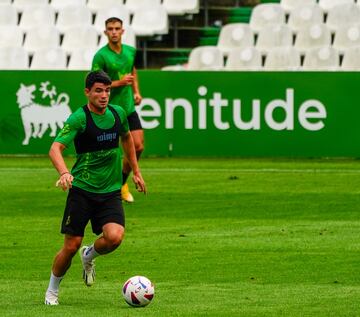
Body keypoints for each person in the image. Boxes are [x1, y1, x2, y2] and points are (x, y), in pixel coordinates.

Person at [44, 70, 146, 306]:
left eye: (107, 90)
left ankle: (89, 255)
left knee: (115, 237)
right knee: (71, 246)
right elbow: (54, 148)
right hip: (82, 190)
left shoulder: (118, 113)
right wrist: (64, 172)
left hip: (109, 191)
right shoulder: (79, 118)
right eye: (98, 90)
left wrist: (137, 172)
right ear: (87, 92)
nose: (104, 95)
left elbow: (128, 139)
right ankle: (52, 291)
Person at [92, 17, 143, 204]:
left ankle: (121, 183)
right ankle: (102, 191)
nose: (114, 32)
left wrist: (136, 91)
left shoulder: (130, 51)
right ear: (105, 32)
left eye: (117, 28)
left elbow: (133, 70)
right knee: (108, 154)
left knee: (138, 147)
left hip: (128, 107)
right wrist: (117, 83)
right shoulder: (101, 56)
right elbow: (95, 82)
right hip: (109, 110)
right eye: (110, 29)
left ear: (123, 31)